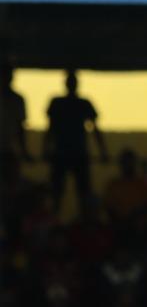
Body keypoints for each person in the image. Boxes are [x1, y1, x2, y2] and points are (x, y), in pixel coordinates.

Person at [44, 70, 108, 218]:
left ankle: (81, 221)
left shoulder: (60, 103)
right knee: (64, 192)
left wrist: (45, 149)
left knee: (71, 193)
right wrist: (102, 151)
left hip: (69, 153)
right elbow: (50, 129)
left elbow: (50, 130)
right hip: (70, 153)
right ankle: (63, 220)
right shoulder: (77, 103)